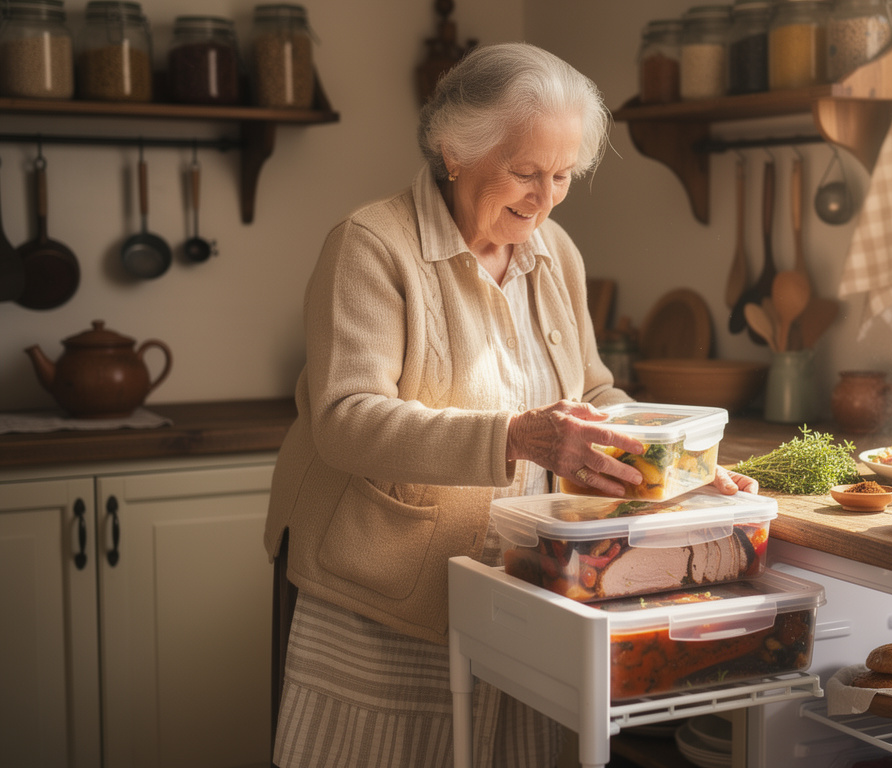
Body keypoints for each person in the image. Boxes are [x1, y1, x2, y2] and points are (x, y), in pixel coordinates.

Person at [263, 42, 757, 768]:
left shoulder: (555, 251)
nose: (545, 196)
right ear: (454, 150)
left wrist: (676, 464)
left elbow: (591, 392)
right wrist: (518, 437)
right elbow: (345, 419)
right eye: (525, 172)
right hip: (384, 593)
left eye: (563, 175)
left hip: (520, 580)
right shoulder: (371, 246)